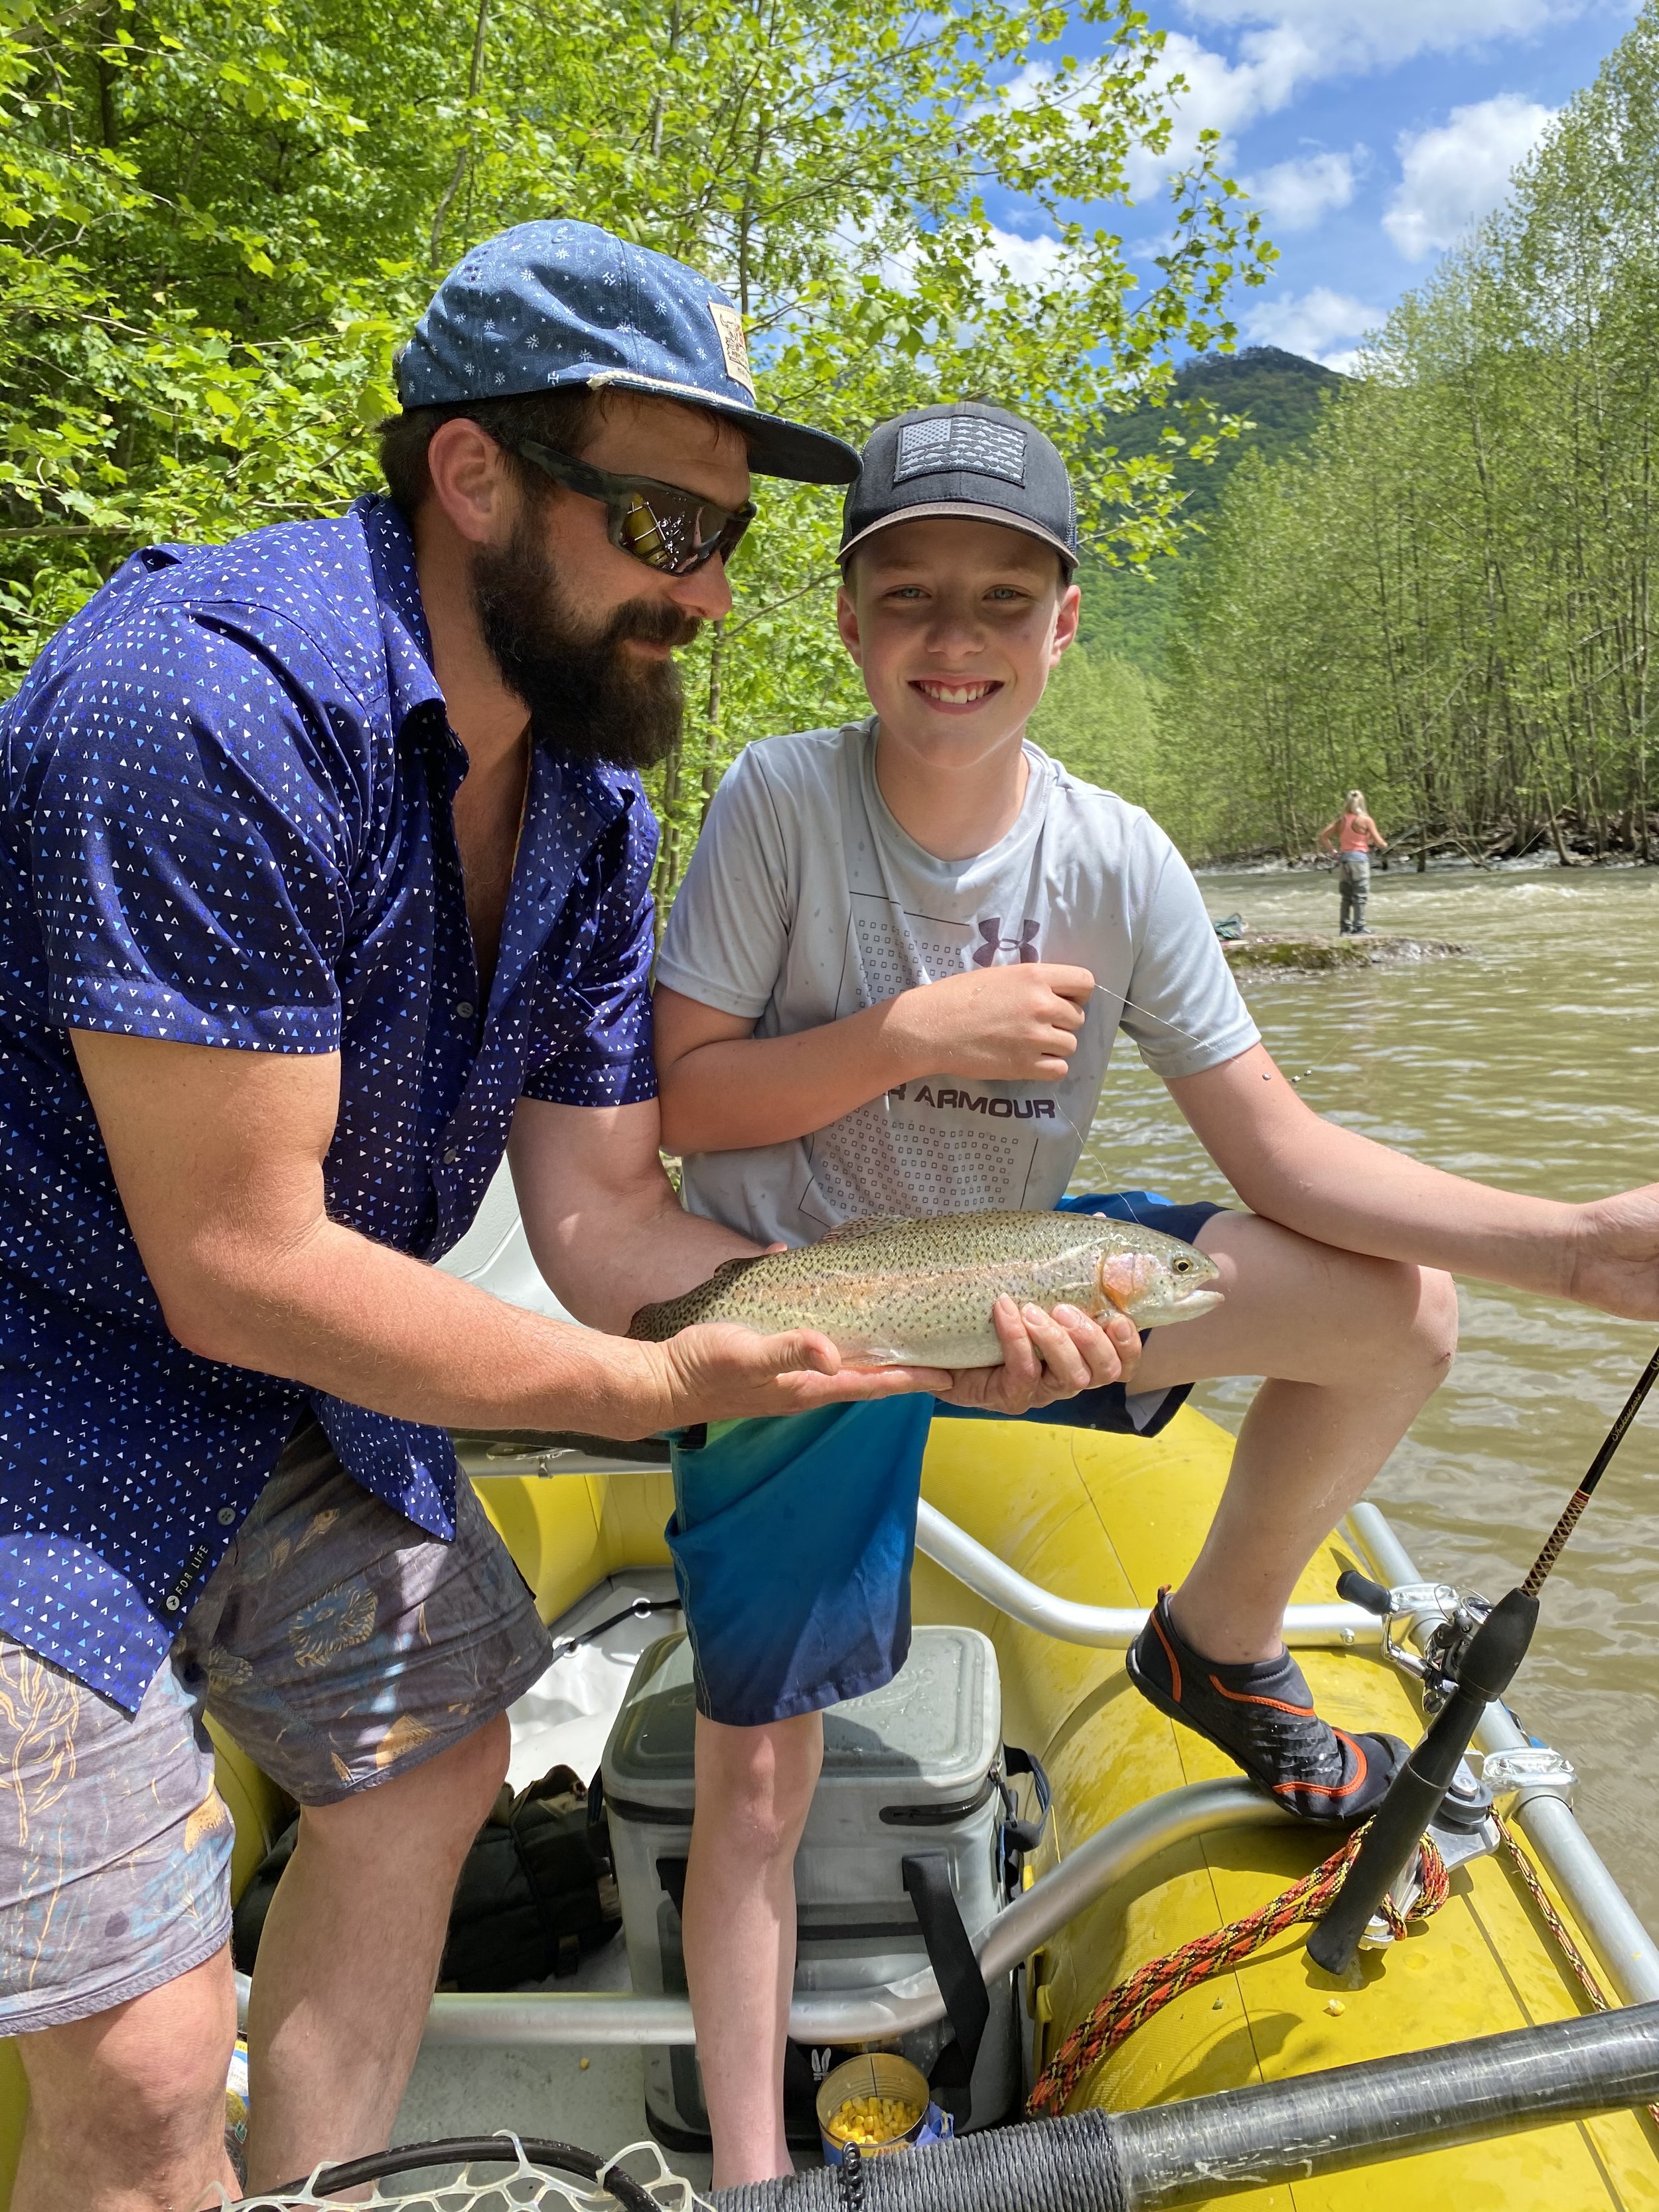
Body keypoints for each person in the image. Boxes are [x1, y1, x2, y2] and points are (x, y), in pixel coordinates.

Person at [0, 227, 1104, 2212]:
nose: (698, 586)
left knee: (431, 1764)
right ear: (475, 475)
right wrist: (648, 1381)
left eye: (725, 534)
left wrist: (892, 1321)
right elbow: (239, 1259)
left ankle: (314, 2190)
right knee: (155, 2070)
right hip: (35, 1404)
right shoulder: (201, 711)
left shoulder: (593, 803)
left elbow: (601, 1208)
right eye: (658, 522)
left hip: (280, 1400)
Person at [651, 400, 1659, 2185]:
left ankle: (1218, 1630)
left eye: (996, 598)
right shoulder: (771, 803)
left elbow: (1274, 1149)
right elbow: (687, 1097)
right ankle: (749, 2164)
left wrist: (1570, 1244)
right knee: (754, 1783)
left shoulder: (1115, 856)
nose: (951, 642)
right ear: (844, 618)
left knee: (1397, 1310)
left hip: (1037, 1286)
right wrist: (905, 1039)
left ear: (1064, 622)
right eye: (906, 596)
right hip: (804, 1320)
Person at [1317, 788, 1388, 934]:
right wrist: (1385, 845)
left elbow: (1323, 836)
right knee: (1360, 895)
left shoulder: (1341, 821)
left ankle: (1345, 928)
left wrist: (1334, 853)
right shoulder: (1366, 820)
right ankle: (1359, 928)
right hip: (1360, 861)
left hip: (1344, 861)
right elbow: (1379, 842)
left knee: (1346, 896)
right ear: (1362, 803)